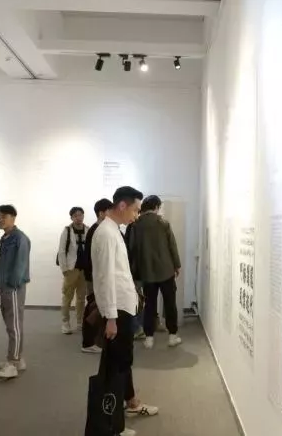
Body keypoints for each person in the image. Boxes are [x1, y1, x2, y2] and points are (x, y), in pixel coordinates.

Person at [90, 186, 158, 436]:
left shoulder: (113, 231)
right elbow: (106, 278)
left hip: (121, 308)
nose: (137, 215)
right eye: (136, 210)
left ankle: (130, 403)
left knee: (120, 361)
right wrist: (111, 317)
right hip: (117, 311)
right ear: (122, 206)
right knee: (116, 365)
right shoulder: (107, 234)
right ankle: (113, 424)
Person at [0, 205, 31, 380]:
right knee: (10, 324)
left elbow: (21, 264)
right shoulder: (6, 238)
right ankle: (17, 360)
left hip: (13, 288)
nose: (0, 220)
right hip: (5, 288)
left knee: (14, 325)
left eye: (3, 216)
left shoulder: (20, 238)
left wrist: (12, 285)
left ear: (13, 217)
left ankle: (13, 362)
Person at [129, 195, 182, 349]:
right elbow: (172, 246)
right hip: (166, 271)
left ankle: (149, 338)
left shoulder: (135, 225)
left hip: (147, 272)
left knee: (149, 305)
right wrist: (177, 265)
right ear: (156, 207)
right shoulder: (163, 223)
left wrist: (134, 272)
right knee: (170, 303)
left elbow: (132, 249)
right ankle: (172, 336)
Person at [79, 198, 112, 353]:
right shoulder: (96, 231)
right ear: (101, 213)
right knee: (93, 308)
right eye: (109, 211)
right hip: (94, 277)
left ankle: (95, 340)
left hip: (97, 276)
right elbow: (93, 259)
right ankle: (88, 343)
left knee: (98, 308)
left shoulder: (100, 229)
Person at [58, 206, 89, 334]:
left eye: (80, 215)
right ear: (71, 217)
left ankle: (80, 322)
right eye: (75, 215)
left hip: (84, 270)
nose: (78, 218)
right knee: (67, 297)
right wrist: (64, 269)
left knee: (81, 298)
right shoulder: (67, 231)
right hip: (71, 269)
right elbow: (61, 251)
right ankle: (65, 322)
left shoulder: (88, 230)